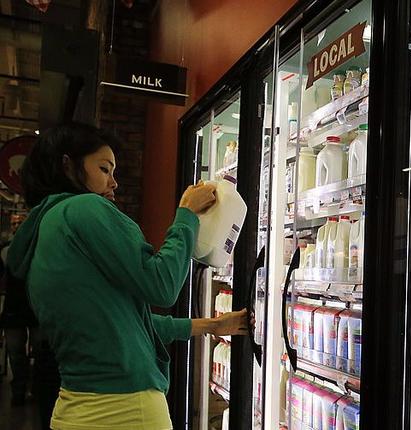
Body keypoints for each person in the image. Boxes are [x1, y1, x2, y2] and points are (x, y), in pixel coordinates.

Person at [6, 123, 248, 429]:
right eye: (104, 169)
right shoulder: (84, 209)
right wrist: (186, 215)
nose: (114, 182)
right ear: (67, 166)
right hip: (126, 406)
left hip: (75, 406)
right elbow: (161, 286)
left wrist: (212, 326)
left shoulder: (45, 227)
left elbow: (124, 323)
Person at [0, 213, 33, 406]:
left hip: (33, 307)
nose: (17, 226)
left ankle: (33, 388)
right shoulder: (4, 250)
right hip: (14, 307)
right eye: (14, 223)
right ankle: (19, 391)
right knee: (15, 353)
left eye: (20, 222)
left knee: (39, 349)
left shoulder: (35, 247)